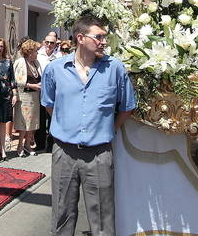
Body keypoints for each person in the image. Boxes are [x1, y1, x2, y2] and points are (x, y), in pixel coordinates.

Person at [42, 13, 136, 236]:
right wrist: (67, 125)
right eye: (99, 37)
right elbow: (49, 105)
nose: (104, 41)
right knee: (62, 215)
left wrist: (108, 129)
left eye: (105, 37)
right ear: (80, 38)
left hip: (99, 155)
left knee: (102, 218)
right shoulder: (55, 69)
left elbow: (127, 107)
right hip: (64, 152)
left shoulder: (115, 68)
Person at [13, 39, 42, 157]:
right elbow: (17, 81)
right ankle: (20, 145)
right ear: (29, 52)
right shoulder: (21, 62)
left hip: (35, 96)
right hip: (24, 96)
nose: (37, 53)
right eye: (35, 51)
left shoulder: (36, 63)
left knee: (32, 122)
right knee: (23, 122)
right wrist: (32, 85)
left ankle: (27, 144)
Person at [36, 32, 59, 151]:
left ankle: (51, 144)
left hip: (54, 89)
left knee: (52, 116)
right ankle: (39, 144)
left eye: (52, 43)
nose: (49, 45)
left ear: (56, 44)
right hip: (39, 87)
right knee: (40, 116)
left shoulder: (59, 56)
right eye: (47, 42)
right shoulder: (38, 54)